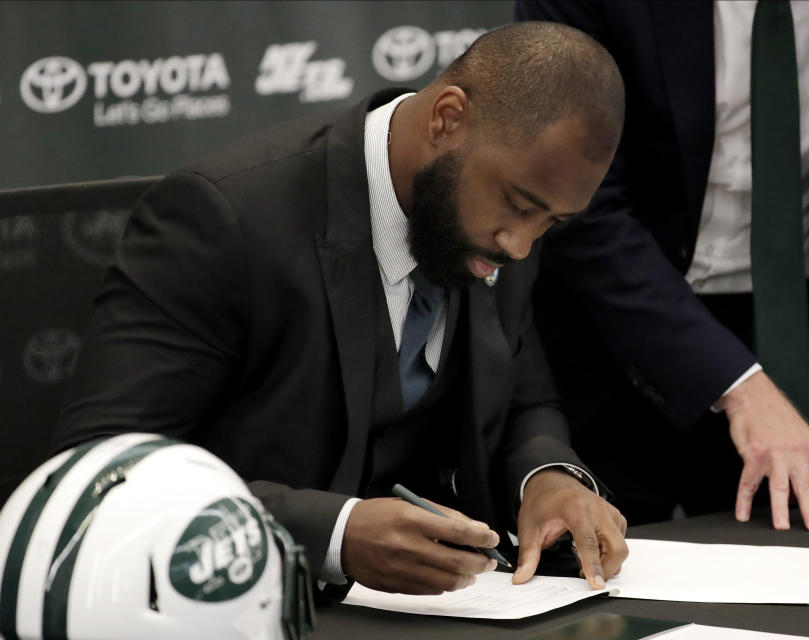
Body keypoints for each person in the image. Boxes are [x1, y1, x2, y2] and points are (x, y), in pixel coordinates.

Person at [51, 22, 629, 600]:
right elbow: (100, 473)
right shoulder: (224, 218)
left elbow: (523, 398)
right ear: (447, 118)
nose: (521, 245)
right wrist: (333, 535)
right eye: (518, 205)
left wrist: (548, 477)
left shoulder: (499, 222)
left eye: (550, 222)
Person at [515, 1, 809, 530]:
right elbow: (579, 209)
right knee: (593, 592)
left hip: (797, 347)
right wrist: (740, 383)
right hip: (605, 348)